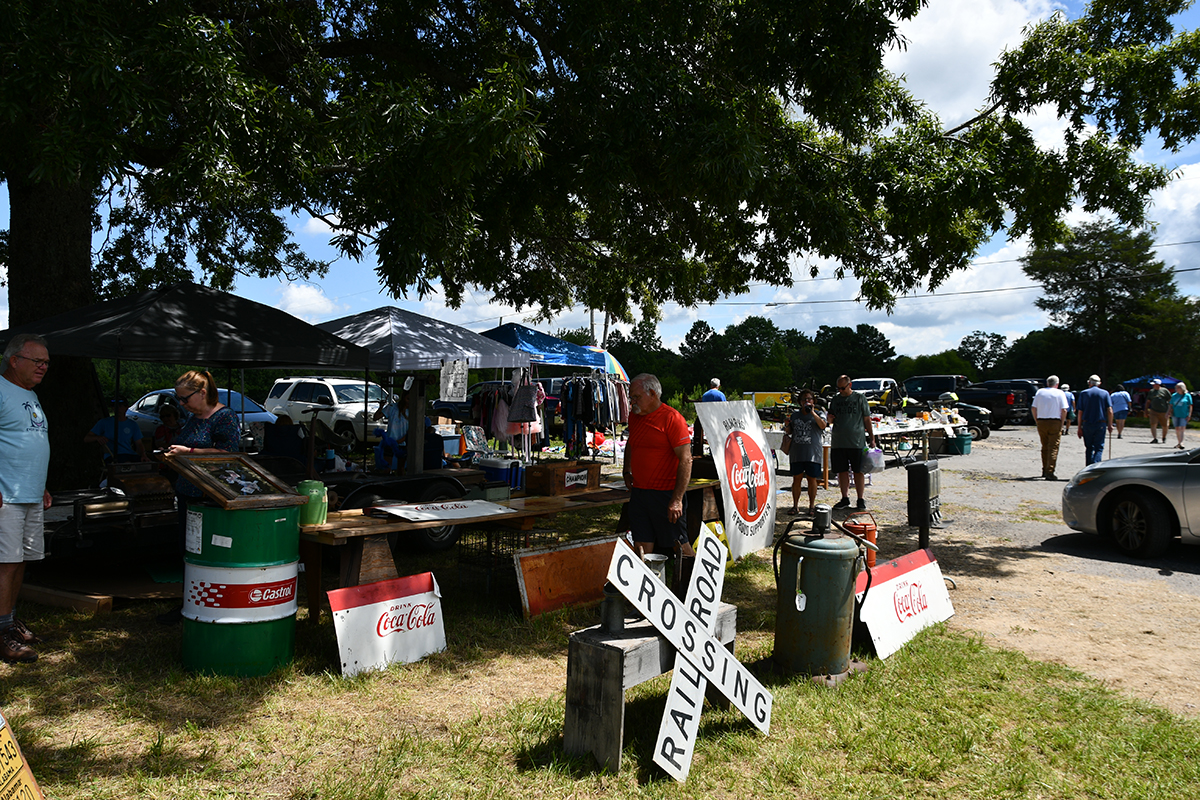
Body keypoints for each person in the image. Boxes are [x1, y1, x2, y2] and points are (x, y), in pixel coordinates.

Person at [159, 370, 241, 624]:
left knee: (209, 551)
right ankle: (190, 601)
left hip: (210, 497)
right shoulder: (193, 418)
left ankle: (211, 603)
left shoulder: (225, 417)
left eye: (185, 399)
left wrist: (189, 451)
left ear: (202, 393)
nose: (181, 404)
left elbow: (229, 454)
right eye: (179, 399)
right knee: (189, 549)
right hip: (187, 492)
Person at [0, 334, 52, 663]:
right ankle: (2, 634)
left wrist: (42, 485)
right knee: (5, 564)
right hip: (7, 495)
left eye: (47, 363)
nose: (44, 367)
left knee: (18, 562)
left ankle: (8, 621)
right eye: (38, 361)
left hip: (30, 493)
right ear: (14, 360)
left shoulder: (30, 395)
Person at [623, 373, 694, 557]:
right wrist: (626, 469)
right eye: (631, 397)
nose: (633, 402)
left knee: (679, 545)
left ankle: (691, 582)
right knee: (641, 543)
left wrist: (677, 499)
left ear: (653, 394)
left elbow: (686, 459)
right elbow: (632, 442)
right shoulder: (635, 416)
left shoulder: (672, 418)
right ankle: (644, 582)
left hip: (666, 493)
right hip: (639, 492)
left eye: (637, 397)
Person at [826, 374, 874, 511]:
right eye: (838, 388)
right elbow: (830, 419)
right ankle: (844, 498)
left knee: (858, 471)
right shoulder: (835, 400)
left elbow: (867, 419)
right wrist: (829, 418)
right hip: (838, 441)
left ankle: (860, 499)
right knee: (842, 471)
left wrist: (872, 438)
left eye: (842, 388)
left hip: (856, 441)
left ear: (850, 385)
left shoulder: (860, 398)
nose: (840, 391)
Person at [786, 388, 826, 516]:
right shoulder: (795, 415)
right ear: (800, 402)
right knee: (796, 479)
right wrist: (787, 424)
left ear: (813, 401)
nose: (807, 401)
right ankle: (795, 506)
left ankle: (811, 506)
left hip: (813, 452)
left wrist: (813, 412)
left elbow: (823, 425)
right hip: (797, 452)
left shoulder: (819, 413)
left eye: (809, 399)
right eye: (804, 399)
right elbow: (789, 432)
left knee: (811, 479)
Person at [84, 395, 147, 464]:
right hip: (112, 456)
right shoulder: (104, 423)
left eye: (120, 406)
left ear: (126, 408)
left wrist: (143, 455)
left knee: (147, 466)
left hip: (129, 454)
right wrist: (97, 437)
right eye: (114, 406)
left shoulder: (132, 425)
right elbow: (87, 438)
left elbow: (139, 443)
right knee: (127, 465)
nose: (117, 409)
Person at [1030, 376, 1069, 480]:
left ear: (1047, 383)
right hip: (1055, 421)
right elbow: (1064, 410)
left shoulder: (1040, 392)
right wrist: (1062, 423)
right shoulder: (1060, 393)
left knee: (1045, 446)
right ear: (1057, 384)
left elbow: (1033, 408)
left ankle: (1044, 469)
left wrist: (1037, 420)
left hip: (1042, 420)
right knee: (1053, 447)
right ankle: (1049, 471)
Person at [1076, 375, 1113, 465]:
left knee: (1089, 447)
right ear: (1099, 384)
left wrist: (1079, 427)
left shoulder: (1084, 393)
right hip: (1100, 423)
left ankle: (1088, 467)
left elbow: (1080, 411)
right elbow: (1110, 411)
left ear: (1089, 383)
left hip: (1087, 423)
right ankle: (1096, 466)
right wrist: (1110, 424)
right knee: (1099, 447)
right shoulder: (1105, 393)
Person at [691, 377, 727, 456]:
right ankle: (717, 454)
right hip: (718, 419)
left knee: (710, 436)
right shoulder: (721, 395)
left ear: (710, 385)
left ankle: (710, 453)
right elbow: (725, 408)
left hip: (707, 418)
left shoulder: (705, 395)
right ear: (719, 385)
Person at [1147, 378, 1172, 443]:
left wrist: (1170, 410)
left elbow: (1170, 400)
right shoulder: (1151, 391)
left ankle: (1164, 437)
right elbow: (1148, 401)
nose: (1153, 386)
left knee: (1165, 425)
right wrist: (1146, 410)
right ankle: (1155, 438)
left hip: (1164, 411)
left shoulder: (1165, 391)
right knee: (1153, 424)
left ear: (1158, 384)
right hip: (1153, 411)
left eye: (1154, 384)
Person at [1171, 382, 1193, 450]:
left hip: (1184, 415)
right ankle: (1179, 442)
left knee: (1182, 428)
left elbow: (1190, 406)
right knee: (1177, 429)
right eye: (1176, 388)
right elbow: (1171, 405)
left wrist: (1189, 415)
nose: (1177, 389)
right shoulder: (1174, 395)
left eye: (1178, 387)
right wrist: (1168, 412)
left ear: (1182, 388)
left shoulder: (1187, 396)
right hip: (1175, 414)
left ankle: (1181, 442)